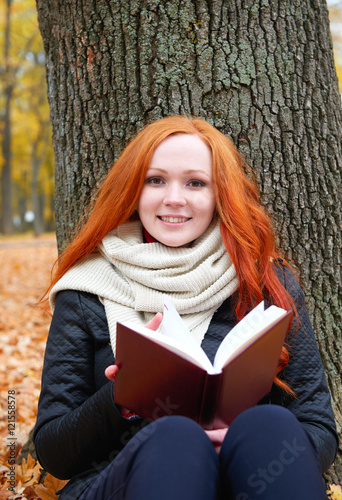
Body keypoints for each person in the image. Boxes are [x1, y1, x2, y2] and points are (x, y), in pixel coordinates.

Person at [34, 116, 338, 500]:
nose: (173, 198)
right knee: (177, 438)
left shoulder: (264, 283)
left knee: (269, 426)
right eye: (155, 180)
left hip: (246, 483)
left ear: (219, 195)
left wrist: (239, 447)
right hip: (123, 484)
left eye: (195, 183)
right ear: (133, 189)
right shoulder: (86, 290)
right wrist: (122, 395)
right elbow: (53, 452)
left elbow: (318, 427)